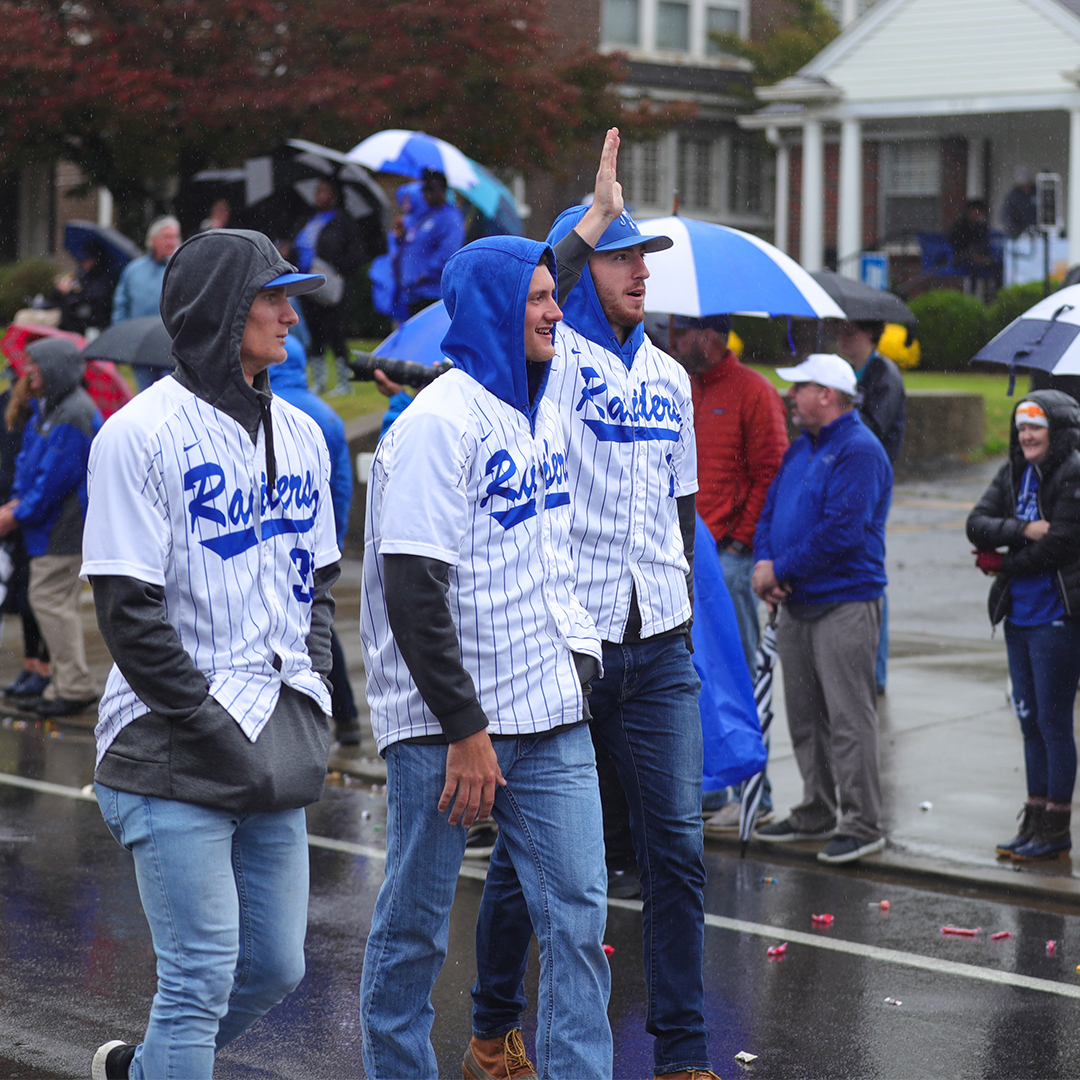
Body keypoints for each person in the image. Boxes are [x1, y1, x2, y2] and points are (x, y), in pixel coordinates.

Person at [472, 204, 722, 1080]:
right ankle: (492, 1030)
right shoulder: (549, 363)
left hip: (657, 649)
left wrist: (675, 611)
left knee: (677, 852)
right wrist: (585, 230)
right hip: (569, 648)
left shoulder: (670, 377)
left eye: (643, 257)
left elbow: (684, 510)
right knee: (530, 859)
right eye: (621, 257)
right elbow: (532, 295)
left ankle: (683, 1054)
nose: (640, 271)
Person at [358, 235, 612, 1080]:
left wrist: (592, 224)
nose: (556, 312)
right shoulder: (437, 424)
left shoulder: (534, 407)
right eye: (537, 298)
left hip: (547, 711)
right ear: (497, 309)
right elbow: (413, 592)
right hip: (445, 728)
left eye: (554, 294)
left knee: (578, 922)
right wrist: (466, 731)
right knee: (416, 927)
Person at [84, 229, 336, 1080]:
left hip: (273, 734)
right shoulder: (137, 435)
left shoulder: (302, 433)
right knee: (199, 976)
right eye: (273, 296)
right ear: (223, 310)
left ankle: (143, 1072)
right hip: (168, 742)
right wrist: (206, 722)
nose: (290, 314)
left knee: (275, 967)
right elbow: (128, 611)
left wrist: (315, 688)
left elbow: (319, 585)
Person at [752, 353, 892, 866]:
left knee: (849, 719)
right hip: (798, 600)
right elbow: (770, 511)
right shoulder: (802, 446)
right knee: (806, 716)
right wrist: (765, 562)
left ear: (827, 395)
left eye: (801, 387)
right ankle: (817, 808)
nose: (791, 396)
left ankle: (861, 823)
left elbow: (841, 531)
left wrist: (779, 569)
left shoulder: (859, 449)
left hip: (844, 601)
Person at [667, 312, 788, 831]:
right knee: (693, 678)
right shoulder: (678, 385)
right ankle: (713, 789)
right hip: (685, 556)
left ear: (710, 336)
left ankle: (757, 797)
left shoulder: (754, 392)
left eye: (682, 331)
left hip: (728, 559)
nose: (672, 340)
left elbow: (772, 471)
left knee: (736, 678)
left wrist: (740, 538)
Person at [967, 392, 1080, 862]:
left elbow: (1062, 543)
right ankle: (1034, 819)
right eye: (1021, 428)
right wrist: (1022, 530)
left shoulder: (1073, 471)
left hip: (1057, 618)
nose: (1027, 436)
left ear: (1056, 429)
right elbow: (976, 524)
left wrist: (1005, 562)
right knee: (1029, 720)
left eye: (1036, 426)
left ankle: (1056, 828)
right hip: (1018, 616)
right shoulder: (1014, 471)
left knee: (1054, 723)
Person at [268, 333, 361, 745]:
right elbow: (338, 484)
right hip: (315, 542)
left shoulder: (268, 411)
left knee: (290, 627)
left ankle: (307, 716)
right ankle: (347, 717)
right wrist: (332, 536)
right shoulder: (326, 416)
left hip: (274, 544)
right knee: (317, 624)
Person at [0, 338, 100, 717]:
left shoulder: (70, 412)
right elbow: (31, 464)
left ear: (55, 367)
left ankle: (73, 687)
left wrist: (16, 513)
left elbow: (55, 479)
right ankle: (63, 683)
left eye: (34, 364)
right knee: (55, 604)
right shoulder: (53, 409)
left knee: (49, 602)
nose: (27, 372)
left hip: (63, 528)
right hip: (53, 525)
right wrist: (18, 502)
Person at [835, 317, 906, 694]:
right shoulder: (845, 372)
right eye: (841, 330)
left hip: (872, 479)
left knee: (867, 565)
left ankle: (875, 672)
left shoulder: (885, 375)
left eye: (851, 331)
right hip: (845, 475)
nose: (843, 337)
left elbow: (873, 428)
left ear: (870, 335)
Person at [0, 364, 51, 702]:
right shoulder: (13, 407)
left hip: (34, 516)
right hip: (15, 508)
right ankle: (31, 664)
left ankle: (44, 667)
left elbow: (47, 473)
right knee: (21, 593)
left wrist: (19, 508)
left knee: (39, 597)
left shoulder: (48, 413)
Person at [291, 179, 366, 396]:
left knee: (336, 332)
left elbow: (357, 254)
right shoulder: (307, 219)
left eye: (324, 191)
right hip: (307, 284)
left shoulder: (344, 222)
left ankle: (344, 382)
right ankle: (319, 381)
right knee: (314, 333)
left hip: (333, 286)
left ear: (334, 195)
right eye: (317, 191)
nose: (318, 195)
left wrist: (337, 266)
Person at [111, 216, 182, 391]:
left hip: (173, 347)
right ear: (152, 240)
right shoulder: (134, 270)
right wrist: (123, 337)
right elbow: (121, 306)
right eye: (166, 237)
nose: (171, 241)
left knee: (170, 395)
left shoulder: (183, 268)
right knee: (145, 395)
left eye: (175, 237)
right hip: (141, 346)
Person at [397, 168, 465, 317]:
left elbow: (449, 253)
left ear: (443, 190)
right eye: (424, 189)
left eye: (431, 189)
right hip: (413, 293)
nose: (426, 194)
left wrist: (423, 274)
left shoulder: (451, 218)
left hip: (431, 294)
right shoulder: (426, 215)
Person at [54, 240, 116, 336]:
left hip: (94, 324)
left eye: (87, 259)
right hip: (75, 323)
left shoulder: (105, 277)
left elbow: (96, 298)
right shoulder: (82, 275)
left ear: (96, 260)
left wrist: (73, 292)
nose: (84, 262)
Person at [1002, 166, 1038, 239]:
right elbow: (1006, 214)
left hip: (1036, 232)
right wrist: (1015, 228)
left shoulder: (1037, 192)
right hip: (1018, 234)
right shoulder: (1013, 195)